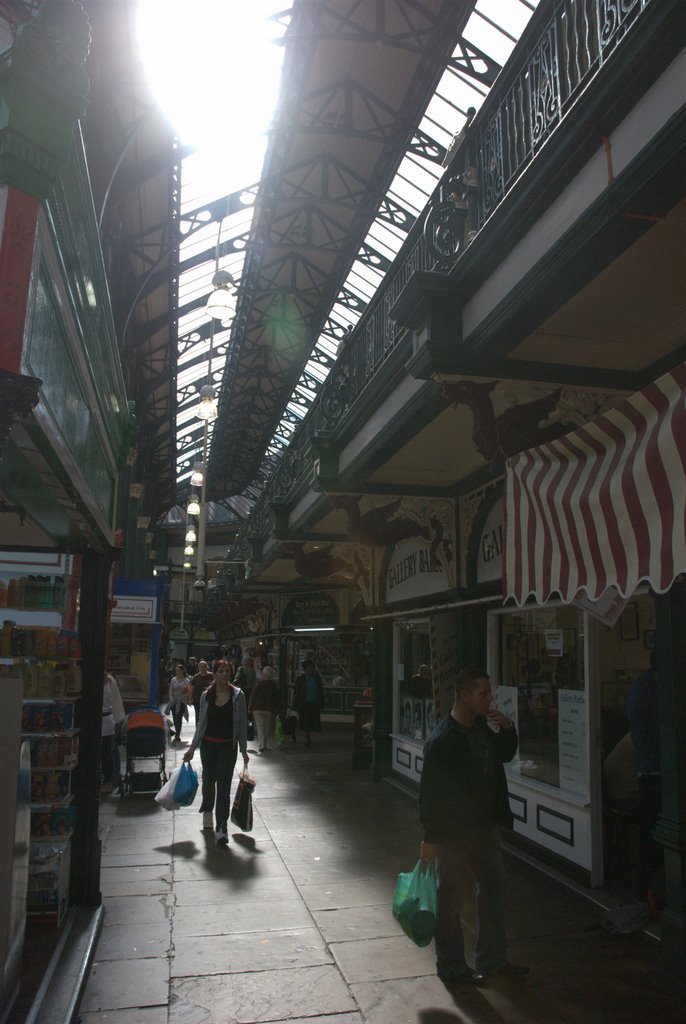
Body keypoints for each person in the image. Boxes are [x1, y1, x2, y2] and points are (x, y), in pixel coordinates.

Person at [418, 666, 528, 986]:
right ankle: (452, 966)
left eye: (489, 692)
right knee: (450, 900)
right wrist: (431, 837)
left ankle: (492, 959)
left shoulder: (481, 728)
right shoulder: (443, 740)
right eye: (483, 693)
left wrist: (507, 729)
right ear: (464, 695)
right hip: (454, 834)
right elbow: (431, 795)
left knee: (492, 891)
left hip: (485, 828)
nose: (489, 698)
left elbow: (503, 755)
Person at [183, 659, 249, 846]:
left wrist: (243, 749)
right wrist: (192, 748)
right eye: (221, 671)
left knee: (224, 785)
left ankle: (222, 827)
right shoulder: (206, 696)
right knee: (209, 781)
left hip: (228, 747)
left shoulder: (238, 696)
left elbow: (242, 724)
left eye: (228, 671)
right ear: (215, 673)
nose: (225, 674)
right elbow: (201, 723)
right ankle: (207, 811)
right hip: (209, 746)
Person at [627, 652, 664, 913]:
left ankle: (648, 892)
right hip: (654, 773)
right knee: (652, 836)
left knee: (650, 835)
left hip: (649, 771)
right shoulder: (648, 691)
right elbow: (660, 729)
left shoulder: (643, 687)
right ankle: (649, 894)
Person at [101, 672, 125, 795]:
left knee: (108, 751)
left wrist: (118, 722)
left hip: (107, 721)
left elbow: (116, 701)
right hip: (100, 720)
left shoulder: (109, 680)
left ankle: (110, 779)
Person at [248, 665, 280, 752]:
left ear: (264, 674)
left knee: (260, 727)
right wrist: (277, 709)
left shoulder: (259, 684)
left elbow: (253, 696)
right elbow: (277, 698)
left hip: (257, 708)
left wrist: (250, 707)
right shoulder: (274, 686)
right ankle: (264, 744)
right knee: (266, 727)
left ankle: (262, 745)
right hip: (268, 709)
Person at [294, 658, 324, 746]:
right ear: (306, 669)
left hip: (314, 702)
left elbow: (320, 690)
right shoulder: (301, 679)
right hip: (305, 703)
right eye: (310, 668)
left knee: (312, 720)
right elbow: (297, 692)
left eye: (313, 668)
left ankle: (309, 735)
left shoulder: (317, 678)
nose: (312, 670)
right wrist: (296, 704)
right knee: (306, 721)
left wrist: (321, 701)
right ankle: (308, 738)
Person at [167, 662, 192, 743]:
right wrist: (171, 698)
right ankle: (177, 732)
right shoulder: (173, 680)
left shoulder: (186, 681)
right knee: (175, 717)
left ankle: (177, 734)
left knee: (179, 717)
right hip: (174, 701)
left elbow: (189, 692)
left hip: (181, 702)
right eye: (176, 670)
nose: (177, 671)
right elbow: (170, 690)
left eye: (178, 670)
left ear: (182, 671)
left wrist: (185, 694)